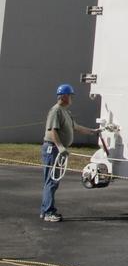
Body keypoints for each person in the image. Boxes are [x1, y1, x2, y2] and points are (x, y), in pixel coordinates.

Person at [41, 83, 100, 222]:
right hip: (53, 149)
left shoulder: (66, 112)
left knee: (52, 181)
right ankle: (48, 212)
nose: (72, 98)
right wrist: (60, 147)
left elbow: (76, 127)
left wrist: (93, 131)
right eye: (70, 95)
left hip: (57, 150)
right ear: (64, 96)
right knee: (52, 181)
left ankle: (45, 210)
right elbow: (52, 131)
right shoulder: (56, 111)